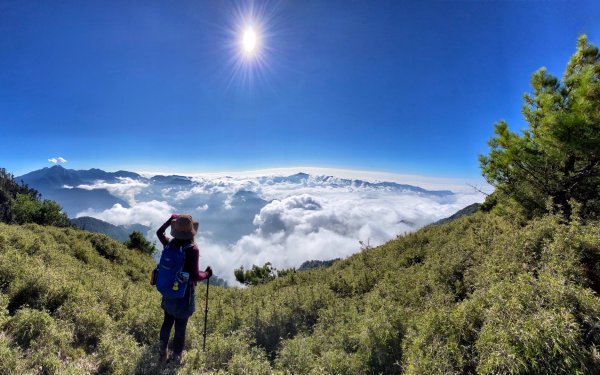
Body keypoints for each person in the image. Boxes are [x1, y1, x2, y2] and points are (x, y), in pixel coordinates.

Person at [156, 213, 212, 364]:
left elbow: (159, 232)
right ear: (191, 231)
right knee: (180, 326)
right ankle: (177, 356)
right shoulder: (191, 249)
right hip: (183, 295)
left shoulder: (169, 244)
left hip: (168, 292)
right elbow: (194, 276)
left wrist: (170, 219)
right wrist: (207, 274)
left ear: (175, 229)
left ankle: (162, 351)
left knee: (167, 321)